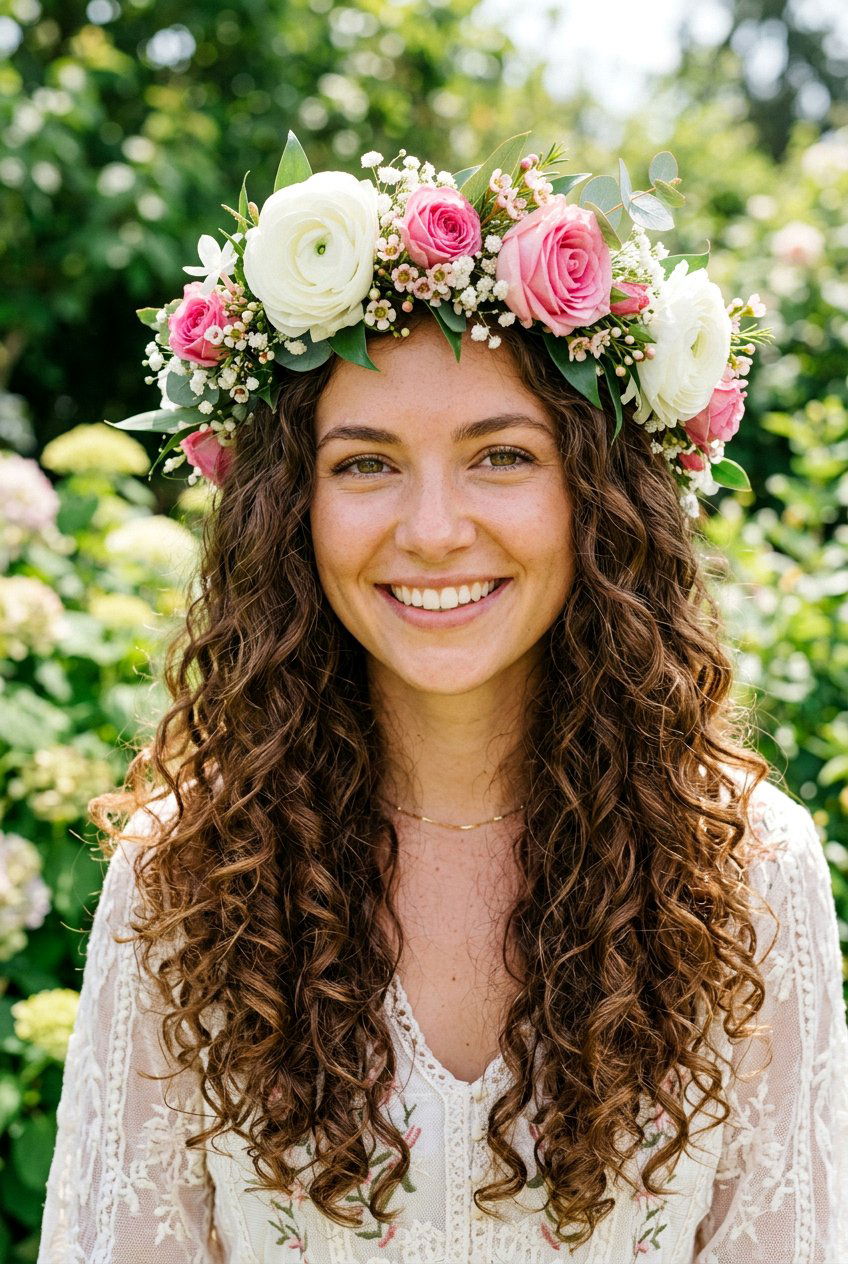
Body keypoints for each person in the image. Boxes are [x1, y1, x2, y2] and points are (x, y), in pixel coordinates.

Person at [37, 134, 847, 1263]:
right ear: (290, 509)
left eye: (499, 455)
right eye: (365, 463)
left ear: (597, 496)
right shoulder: (184, 877)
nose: (429, 530)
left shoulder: (749, 874)